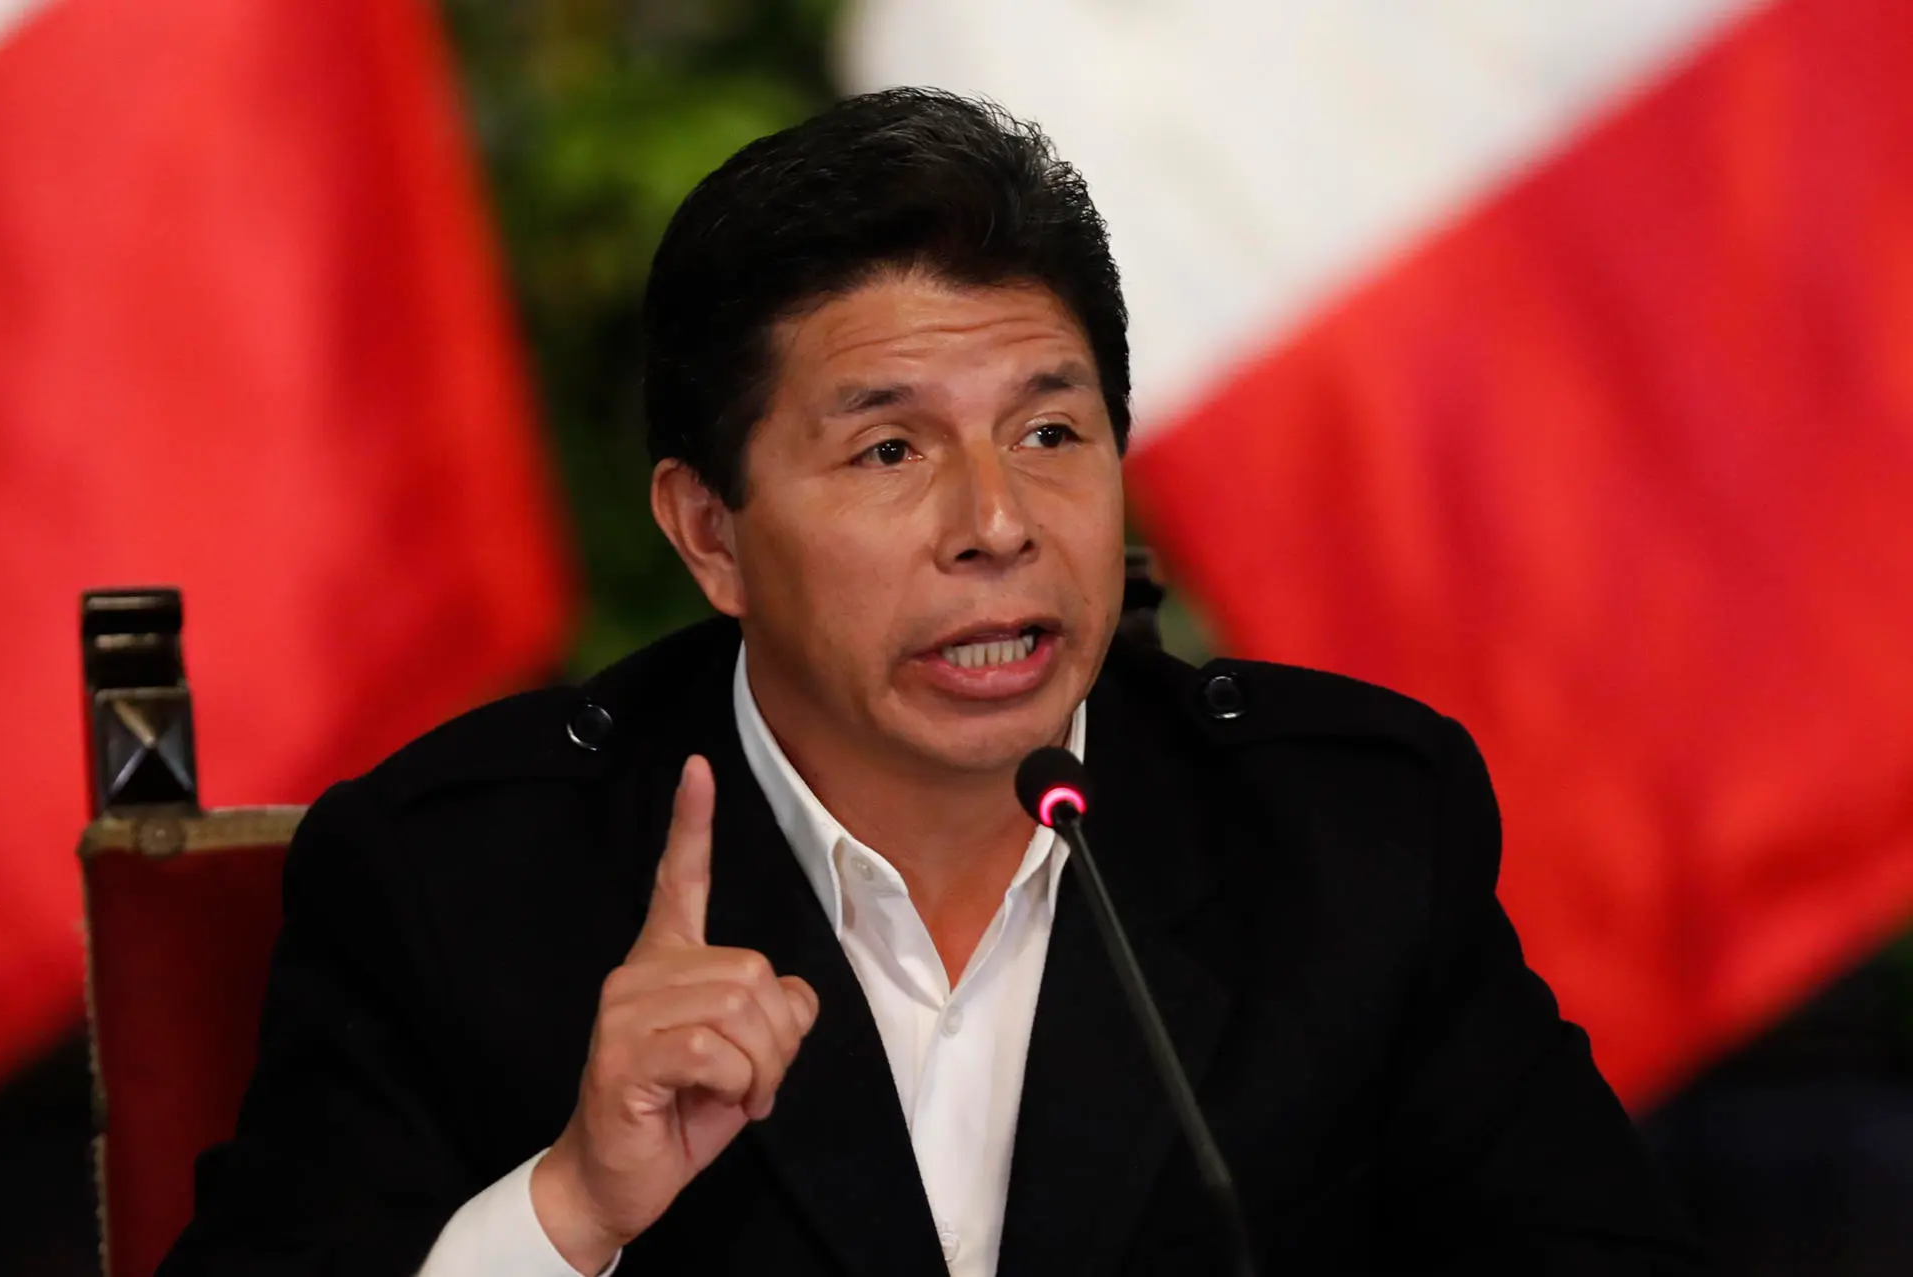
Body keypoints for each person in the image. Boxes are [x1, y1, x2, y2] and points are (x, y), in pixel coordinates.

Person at [159, 89, 1701, 1276]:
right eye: (890, 449)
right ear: (711, 534)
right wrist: (569, 1208)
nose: (997, 523)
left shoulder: (1347, 839)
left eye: (1050, 432)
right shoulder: (463, 884)